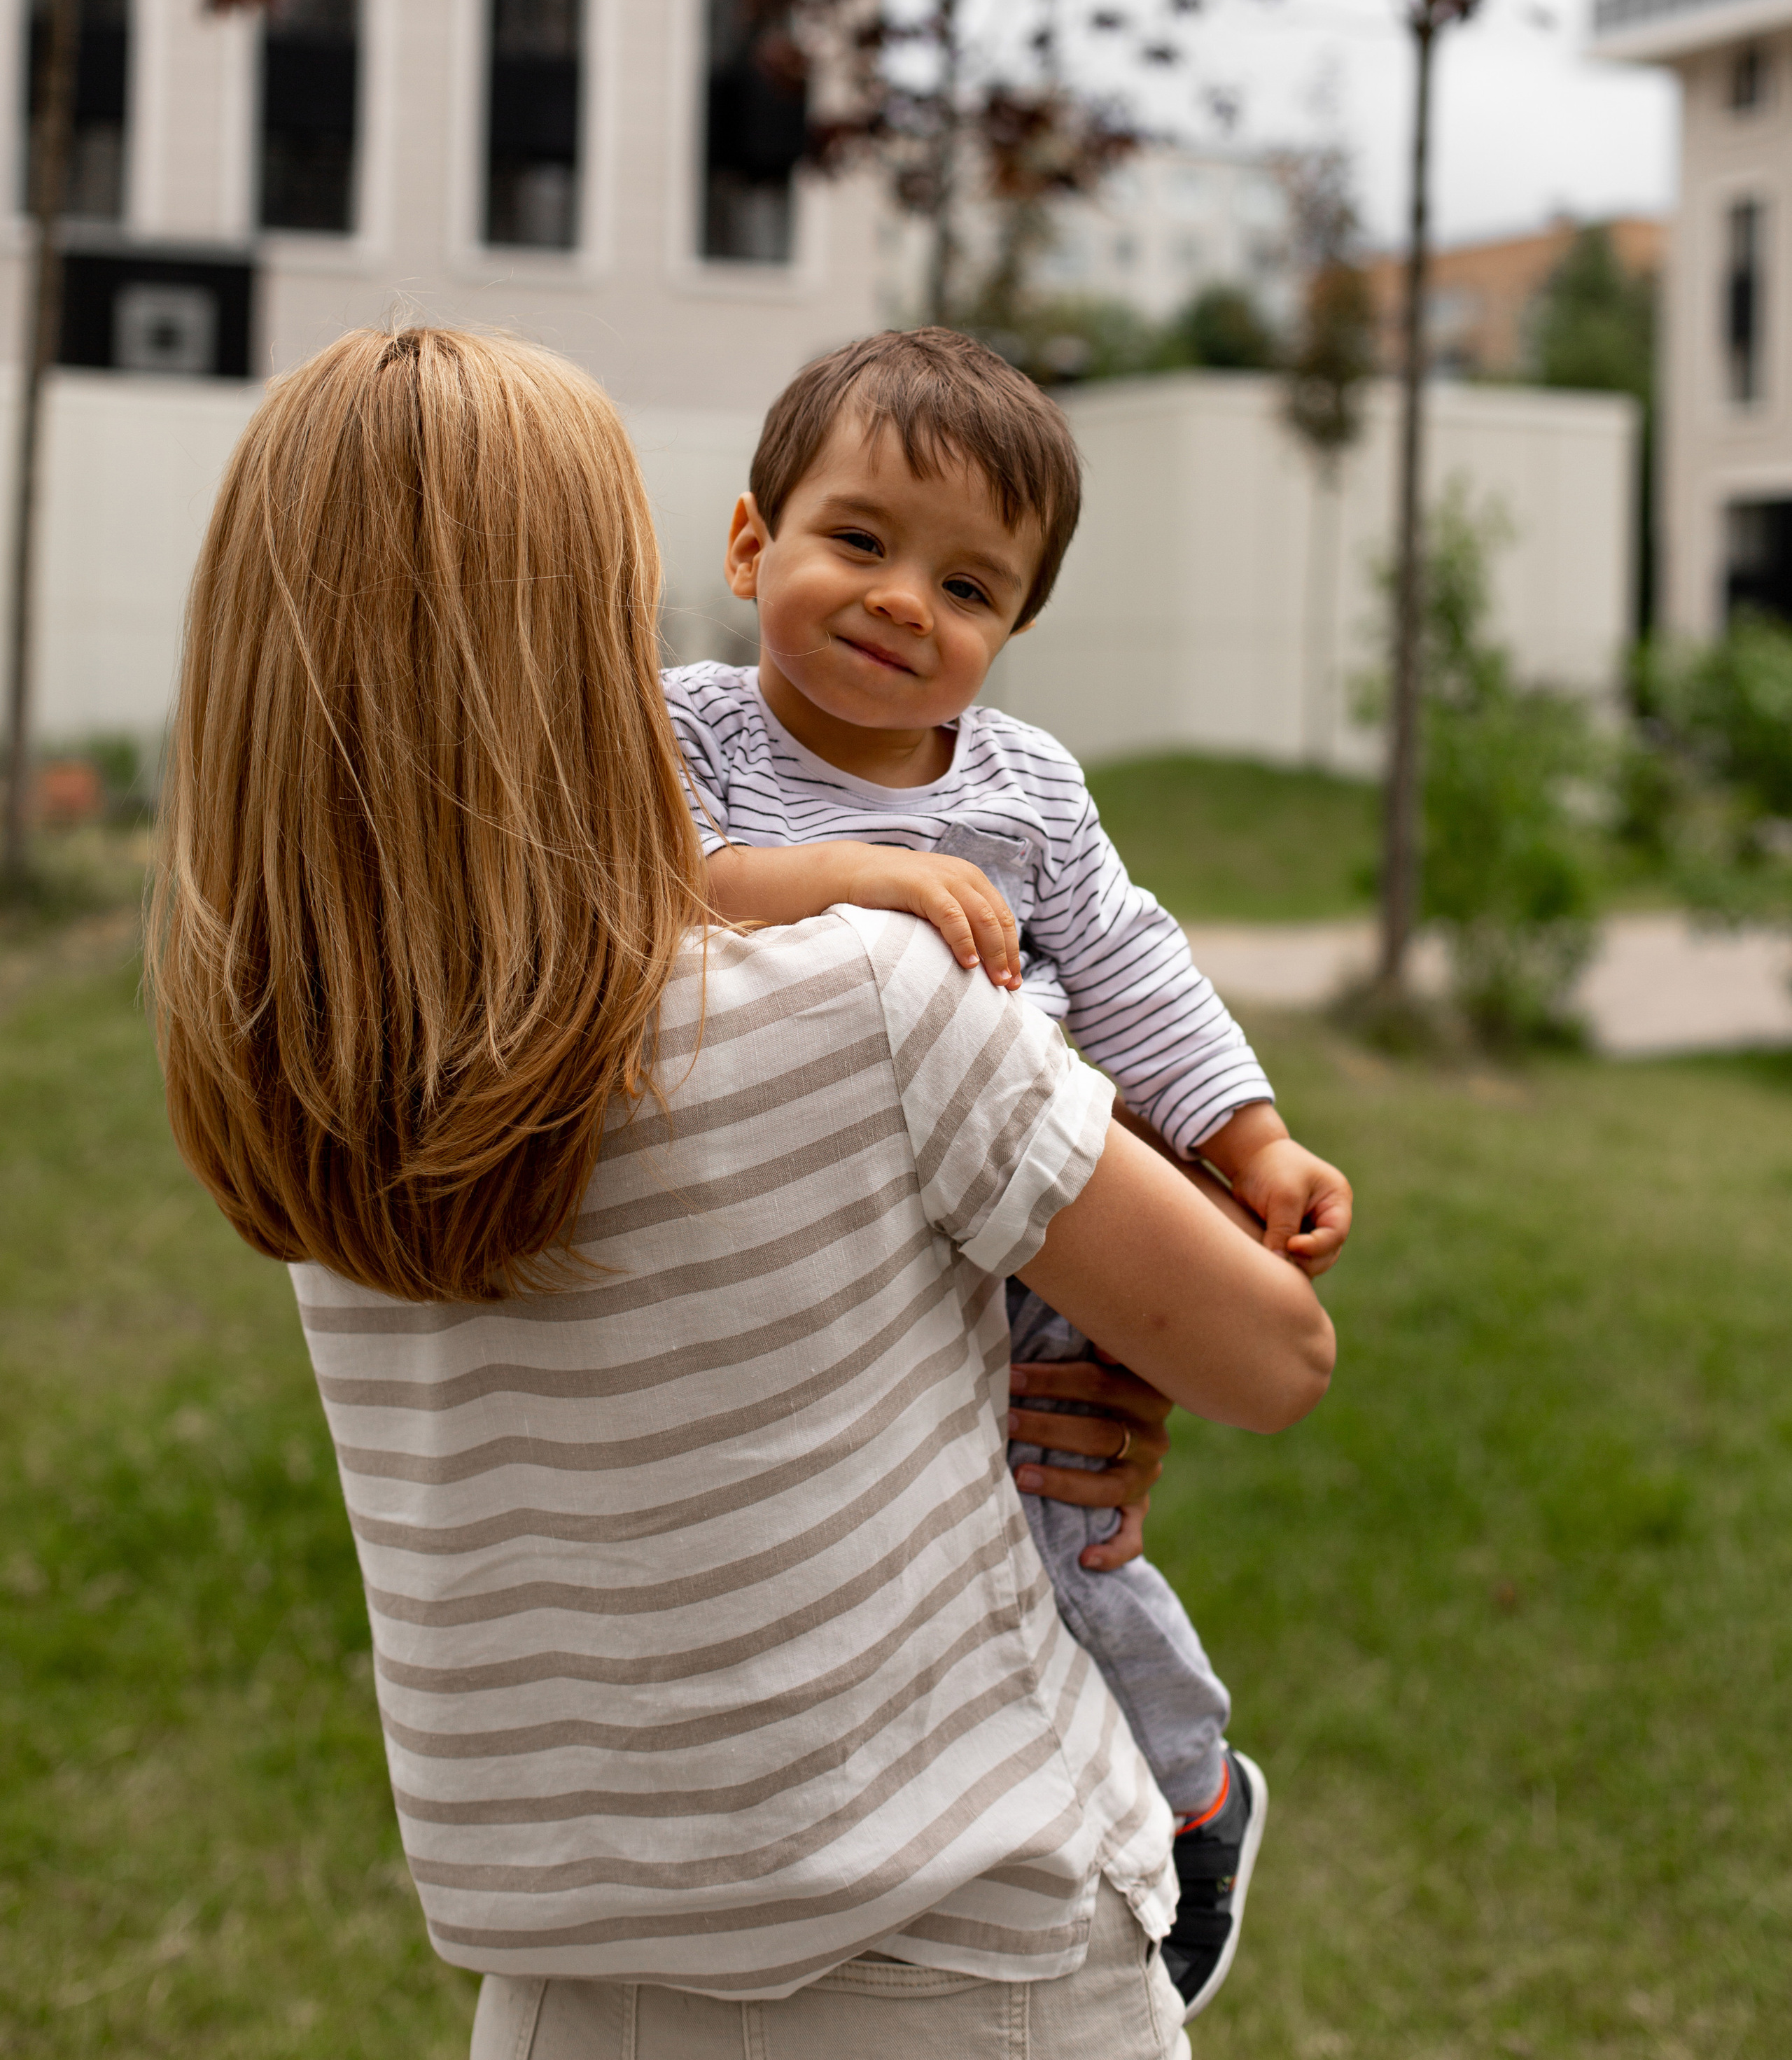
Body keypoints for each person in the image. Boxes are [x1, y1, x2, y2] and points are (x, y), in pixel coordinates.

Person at [148, 326, 1336, 2059]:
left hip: (567, 1973)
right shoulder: (868, 987)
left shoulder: (326, 1065)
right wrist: (1130, 1321)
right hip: (963, 1953)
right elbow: (1276, 1359)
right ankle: (1190, 1798)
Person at [661, 326, 1355, 2017]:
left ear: (1012, 634)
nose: (906, 601)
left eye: (970, 587)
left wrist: (1246, 1141)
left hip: (1043, 1215)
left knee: (1061, 1524)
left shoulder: (1024, 791)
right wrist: (842, 879)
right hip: (842, 1245)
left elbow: (1127, 965)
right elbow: (642, 885)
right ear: (752, 546)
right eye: (860, 542)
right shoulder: (690, 736)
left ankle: (1187, 1794)